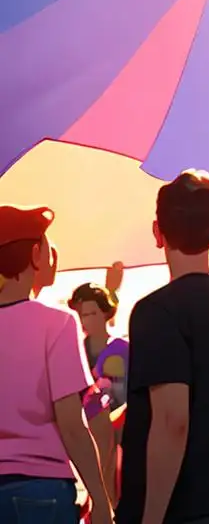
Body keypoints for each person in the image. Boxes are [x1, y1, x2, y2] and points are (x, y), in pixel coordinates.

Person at [116, 170, 209, 524]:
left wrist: (150, 517)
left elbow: (172, 421)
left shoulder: (155, 311)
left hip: (187, 508)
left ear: (158, 232)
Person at [0, 205, 113, 524]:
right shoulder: (58, 324)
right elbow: (72, 424)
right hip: (40, 490)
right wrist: (101, 501)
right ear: (36, 255)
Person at [69, 280, 129, 502]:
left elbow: (128, 390)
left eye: (92, 313)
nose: (87, 320)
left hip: (118, 424)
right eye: (83, 315)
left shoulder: (122, 349)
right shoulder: (75, 350)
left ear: (105, 312)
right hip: (83, 424)